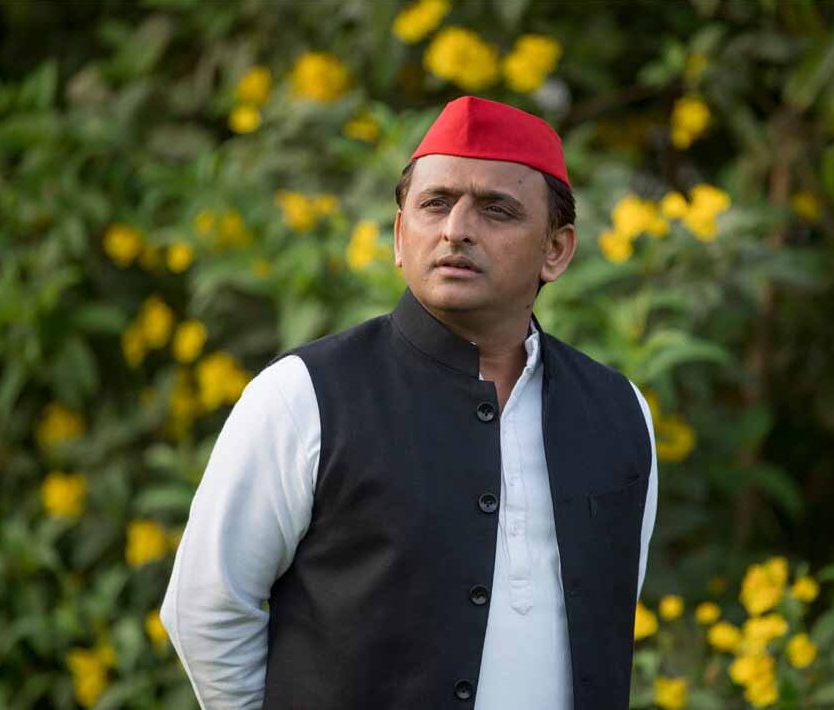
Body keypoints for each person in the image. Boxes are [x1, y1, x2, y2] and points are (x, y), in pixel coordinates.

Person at [160, 96, 659, 710]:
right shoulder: (303, 396)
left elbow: (609, 611)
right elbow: (207, 609)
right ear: (400, 236)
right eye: (436, 203)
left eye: (496, 210)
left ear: (555, 250)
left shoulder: (618, 412)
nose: (456, 230)